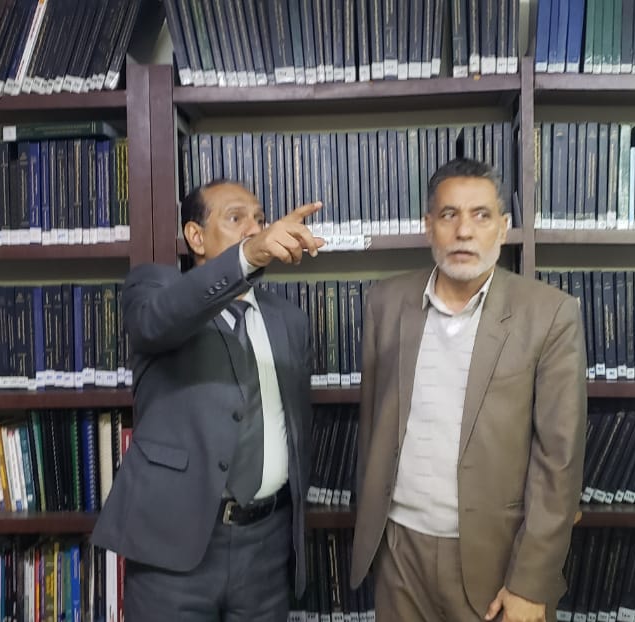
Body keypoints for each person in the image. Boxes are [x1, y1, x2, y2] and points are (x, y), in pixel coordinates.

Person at [349, 158, 587, 622]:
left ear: (503, 227)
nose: (463, 231)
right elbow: (373, 424)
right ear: (428, 226)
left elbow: (559, 462)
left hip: (495, 556)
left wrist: (530, 582)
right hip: (398, 549)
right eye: (449, 215)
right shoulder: (385, 302)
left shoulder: (549, 313)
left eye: (481, 215)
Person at [91, 180, 324, 621]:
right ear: (195, 236)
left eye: (260, 219)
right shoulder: (153, 290)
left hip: (267, 548)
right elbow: (157, 322)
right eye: (236, 218)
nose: (254, 228)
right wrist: (247, 256)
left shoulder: (289, 320)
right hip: (174, 552)